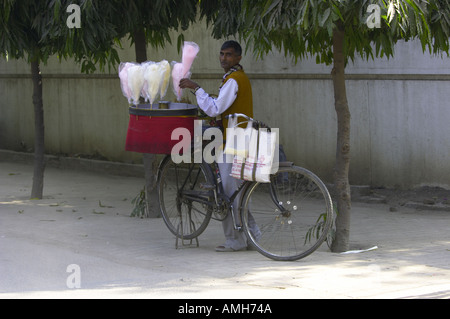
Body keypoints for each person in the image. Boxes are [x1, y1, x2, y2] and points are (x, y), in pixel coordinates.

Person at [179, 40, 260, 252]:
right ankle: (252, 234)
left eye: (229, 55)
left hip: (235, 141)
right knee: (236, 193)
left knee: (227, 192)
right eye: (222, 54)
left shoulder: (234, 80)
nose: (224, 58)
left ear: (238, 58)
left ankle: (235, 240)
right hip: (239, 138)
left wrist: (196, 88)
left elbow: (215, 108)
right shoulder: (235, 78)